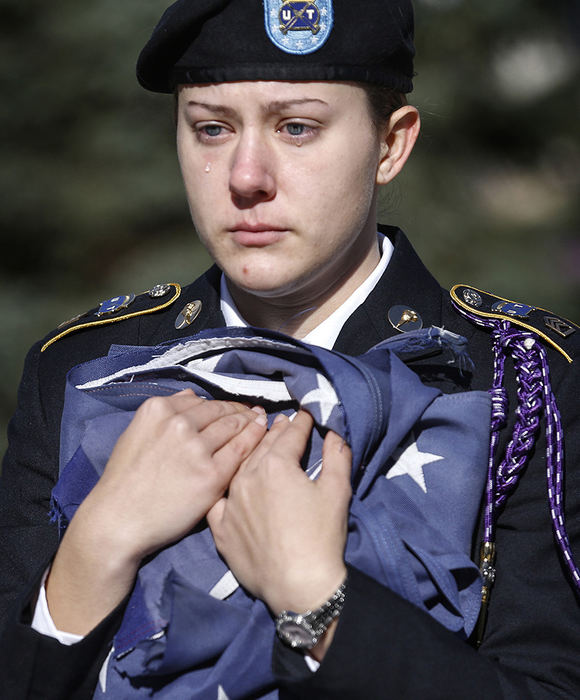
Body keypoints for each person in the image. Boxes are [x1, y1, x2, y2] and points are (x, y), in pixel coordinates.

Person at [0, 0, 579, 698]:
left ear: (390, 145)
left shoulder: (529, 384)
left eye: (297, 127)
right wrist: (93, 551)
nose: (246, 176)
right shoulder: (81, 369)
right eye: (211, 129)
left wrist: (317, 598)